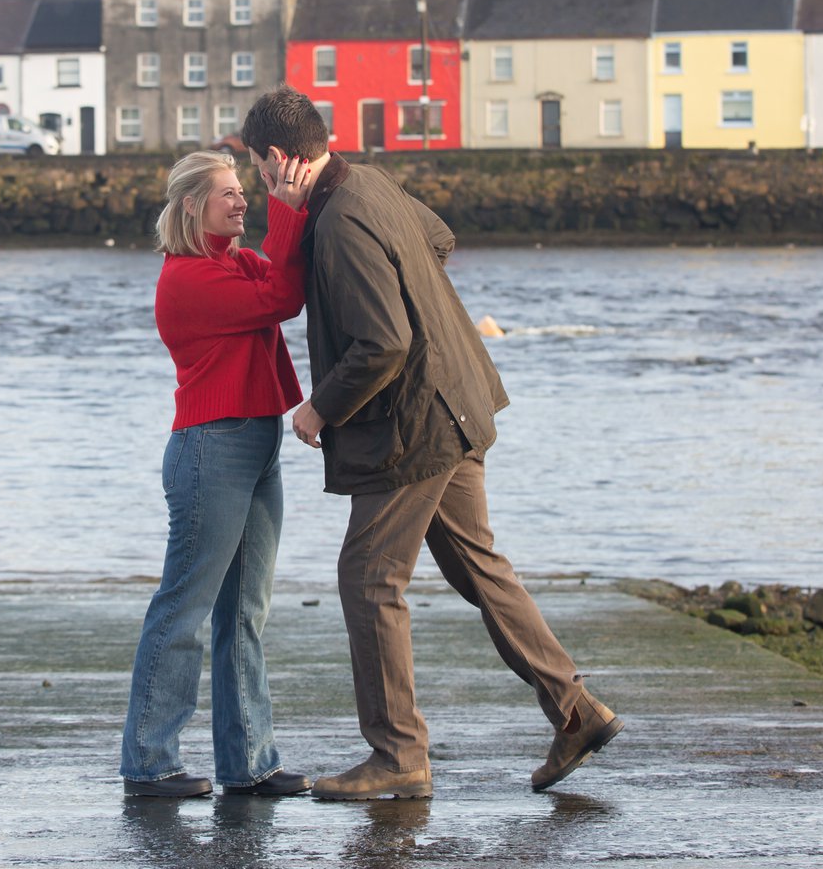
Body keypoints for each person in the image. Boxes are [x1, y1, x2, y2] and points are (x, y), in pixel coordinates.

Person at [240, 87, 621, 801]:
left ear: (278, 158)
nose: (259, 180)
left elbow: (383, 343)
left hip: (415, 425)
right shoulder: (370, 182)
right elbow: (438, 239)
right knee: (480, 567)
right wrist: (411, 291)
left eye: (258, 167)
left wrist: (319, 408)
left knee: (368, 577)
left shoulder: (340, 222)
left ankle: (398, 755)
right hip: (458, 400)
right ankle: (575, 711)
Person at [120, 149, 317, 799]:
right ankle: (149, 764)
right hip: (211, 448)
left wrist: (298, 206)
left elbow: (288, 278)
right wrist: (287, 208)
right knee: (184, 608)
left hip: (256, 441)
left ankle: (249, 763)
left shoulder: (236, 262)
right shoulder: (188, 278)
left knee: (245, 612)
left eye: (243, 191)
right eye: (228, 193)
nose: (242, 202)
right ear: (192, 207)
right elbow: (282, 296)